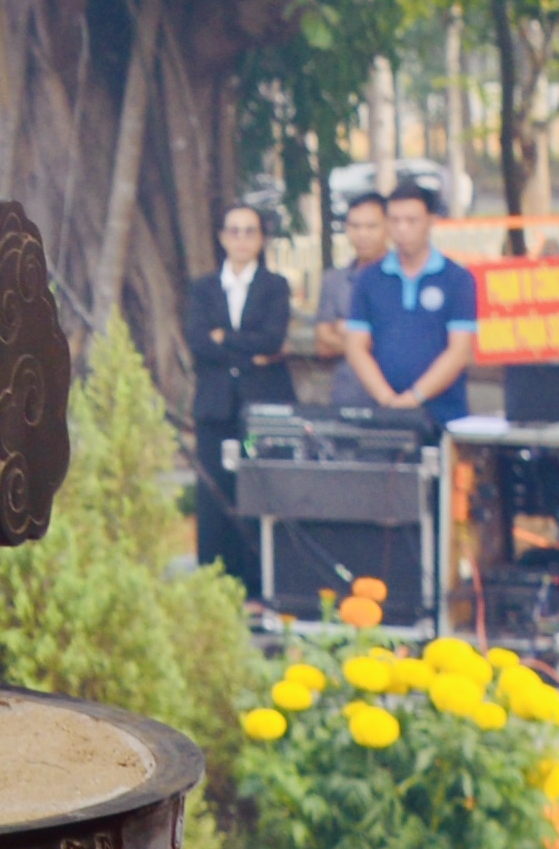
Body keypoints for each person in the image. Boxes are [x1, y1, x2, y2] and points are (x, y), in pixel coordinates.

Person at [182, 200, 295, 579]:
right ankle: (213, 580)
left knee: (260, 491)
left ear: (261, 239)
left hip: (263, 403)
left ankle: (260, 582)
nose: (242, 239)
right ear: (222, 238)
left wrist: (226, 339)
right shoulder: (203, 288)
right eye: (234, 231)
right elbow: (198, 342)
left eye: (250, 231)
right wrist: (251, 350)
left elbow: (273, 338)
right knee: (214, 494)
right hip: (215, 405)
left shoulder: (275, 286)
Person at [340, 183, 476, 435]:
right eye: (395, 220)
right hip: (383, 415)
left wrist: (413, 399)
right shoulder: (368, 280)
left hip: (445, 415)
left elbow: (459, 351)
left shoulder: (457, 278)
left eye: (412, 220)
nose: (402, 229)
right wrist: (388, 400)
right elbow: (356, 347)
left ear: (430, 221)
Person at [309, 188, 390, 405]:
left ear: (388, 226)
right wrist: (369, 342)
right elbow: (323, 345)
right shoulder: (334, 280)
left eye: (371, 226)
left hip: (396, 392)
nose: (362, 234)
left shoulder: (403, 276)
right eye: (355, 226)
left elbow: (405, 342)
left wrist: (349, 332)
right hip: (349, 394)